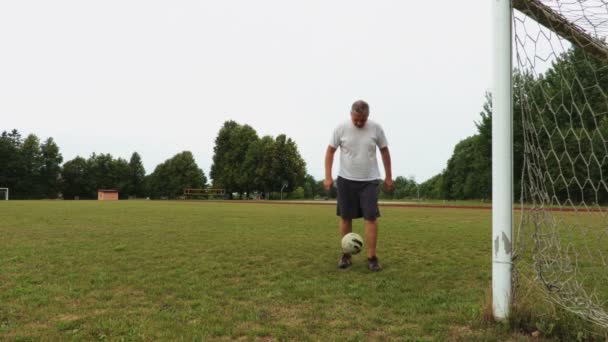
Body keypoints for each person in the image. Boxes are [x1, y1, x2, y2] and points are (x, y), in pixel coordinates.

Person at [324, 100, 393, 271]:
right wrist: (327, 176)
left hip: (369, 181)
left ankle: (372, 258)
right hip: (346, 179)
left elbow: (384, 151)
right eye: (357, 120)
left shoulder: (376, 128)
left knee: (371, 218)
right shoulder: (341, 128)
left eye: (363, 119)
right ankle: (346, 256)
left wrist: (389, 176)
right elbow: (330, 151)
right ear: (351, 115)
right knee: (346, 217)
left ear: (367, 116)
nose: (360, 123)